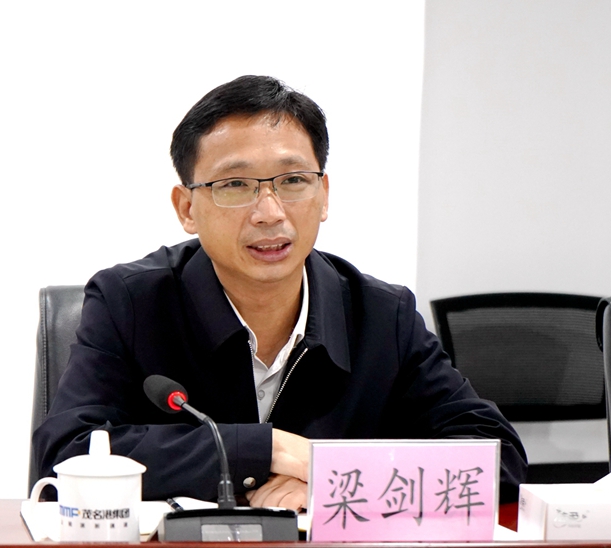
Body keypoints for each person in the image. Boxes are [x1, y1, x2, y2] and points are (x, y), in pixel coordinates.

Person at [33, 75, 527, 511]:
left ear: (324, 194)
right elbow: (67, 453)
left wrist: (334, 479)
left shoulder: (382, 316)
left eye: (293, 180)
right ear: (186, 208)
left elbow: (496, 456)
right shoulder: (130, 302)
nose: (270, 212)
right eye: (235, 184)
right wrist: (270, 451)